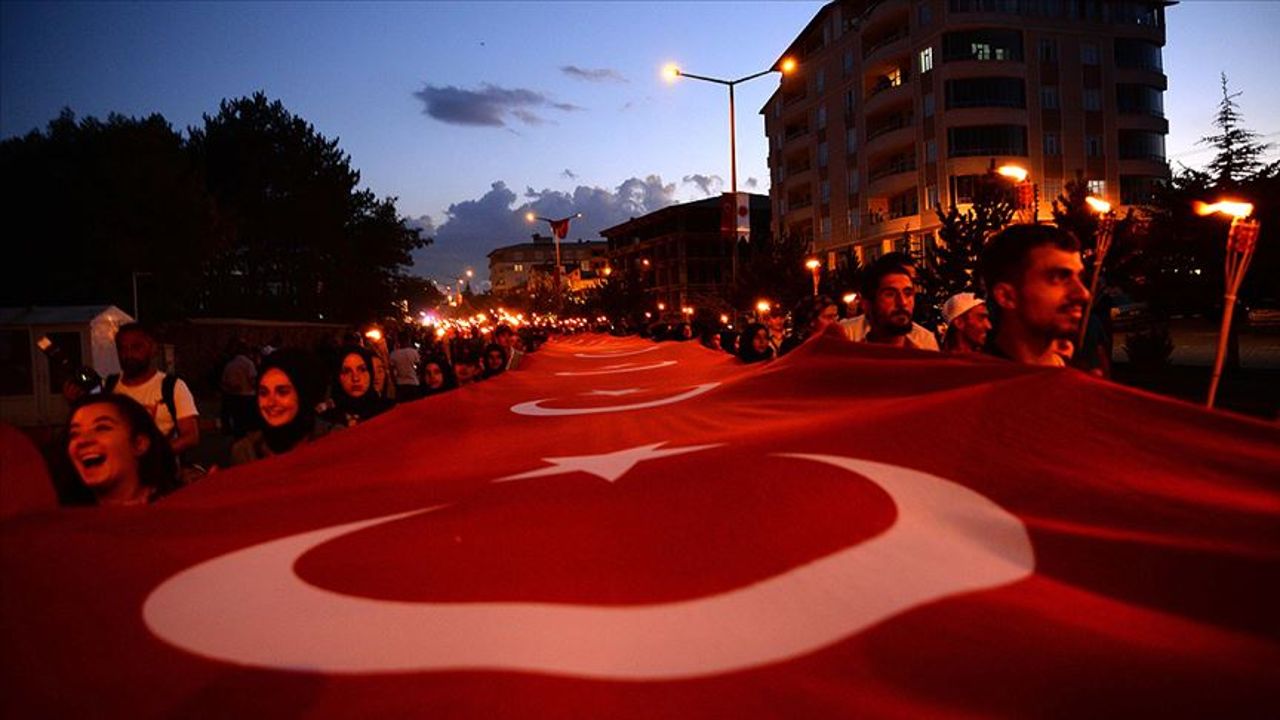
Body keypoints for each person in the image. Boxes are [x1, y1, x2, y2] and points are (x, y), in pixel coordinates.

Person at [979, 223, 1090, 367]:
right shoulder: (975, 385)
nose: (1083, 294)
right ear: (1006, 296)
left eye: (1080, 278)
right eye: (1058, 277)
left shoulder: (1082, 382)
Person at [62, 394, 180, 506]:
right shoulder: (65, 522)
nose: (83, 441)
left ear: (139, 444)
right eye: (74, 433)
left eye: (102, 427)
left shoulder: (179, 509)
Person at [107, 323, 200, 455]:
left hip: (159, 472)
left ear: (153, 348)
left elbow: (191, 436)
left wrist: (154, 454)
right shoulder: (108, 386)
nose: (128, 354)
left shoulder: (172, 387)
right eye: (122, 348)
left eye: (136, 347)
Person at [230, 349, 332, 465]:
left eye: (282, 392)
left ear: (304, 394)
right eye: (263, 392)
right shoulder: (245, 452)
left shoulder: (335, 441)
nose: (270, 403)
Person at [838, 254, 939, 350]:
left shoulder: (924, 342)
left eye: (908, 293)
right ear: (866, 303)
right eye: (890, 294)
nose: (902, 302)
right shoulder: (846, 338)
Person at [321, 347, 393, 427]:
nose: (355, 378)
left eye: (362, 369)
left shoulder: (389, 411)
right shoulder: (325, 419)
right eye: (346, 371)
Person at [219, 338, 257, 437]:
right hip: (247, 396)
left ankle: (237, 438)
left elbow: (224, 381)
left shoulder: (230, 365)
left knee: (237, 420)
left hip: (234, 396)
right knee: (247, 420)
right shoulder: (249, 364)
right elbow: (253, 380)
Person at [387, 330, 421, 402]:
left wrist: (394, 382)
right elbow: (419, 366)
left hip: (400, 384)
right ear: (408, 339)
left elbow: (391, 371)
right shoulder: (413, 352)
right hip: (413, 382)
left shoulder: (394, 354)